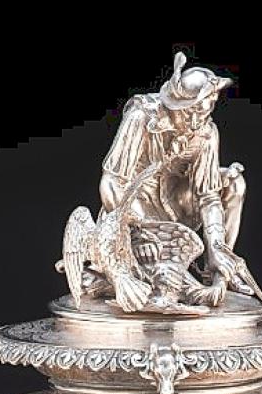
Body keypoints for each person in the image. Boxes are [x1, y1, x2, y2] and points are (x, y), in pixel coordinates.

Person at [100, 52, 252, 306]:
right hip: (138, 209)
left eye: (210, 106)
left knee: (235, 184)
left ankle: (219, 267)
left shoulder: (205, 132)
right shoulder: (142, 116)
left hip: (178, 206)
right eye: (197, 110)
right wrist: (138, 230)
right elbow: (112, 182)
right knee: (160, 277)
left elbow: (208, 197)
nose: (202, 117)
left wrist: (216, 246)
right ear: (181, 107)